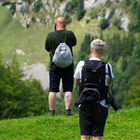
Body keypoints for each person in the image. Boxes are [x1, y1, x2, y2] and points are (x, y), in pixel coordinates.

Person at [74, 39, 114, 140]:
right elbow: (109, 83)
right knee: (97, 135)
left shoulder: (82, 64)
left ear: (91, 50)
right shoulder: (107, 66)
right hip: (101, 103)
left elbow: (76, 83)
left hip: (84, 101)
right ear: (102, 51)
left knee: (84, 134)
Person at [45, 17, 77, 116]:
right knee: (68, 89)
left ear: (56, 24)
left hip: (55, 66)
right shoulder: (70, 34)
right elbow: (74, 43)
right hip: (68, 65)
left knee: (53, 89)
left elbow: (47, 48)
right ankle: (68, 111)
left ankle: (51, 111)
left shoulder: (50, 35)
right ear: (65, 24)